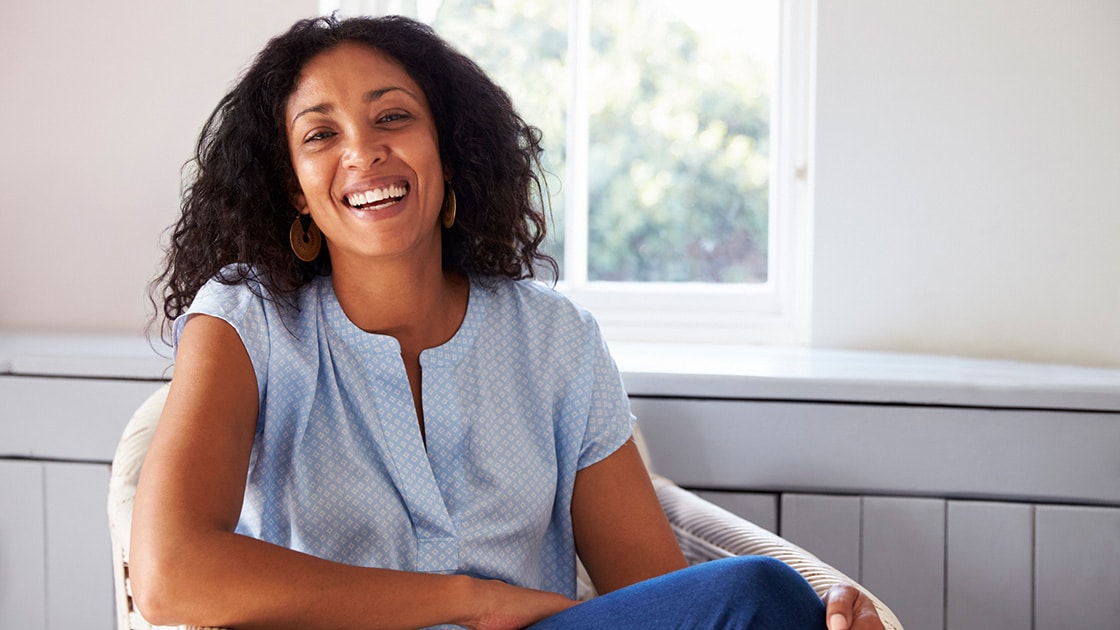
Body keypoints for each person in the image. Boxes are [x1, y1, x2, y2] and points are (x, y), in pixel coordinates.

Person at [131, 14, 884, 630]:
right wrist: (469, 597)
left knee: (759, 596)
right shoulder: (246, 320)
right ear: (294, 190)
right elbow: (170, 575)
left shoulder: (554, 340)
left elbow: (656, 598)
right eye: (320, 135)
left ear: (449, 154)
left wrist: (809, 620)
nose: (363, 151)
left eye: (393, 116)